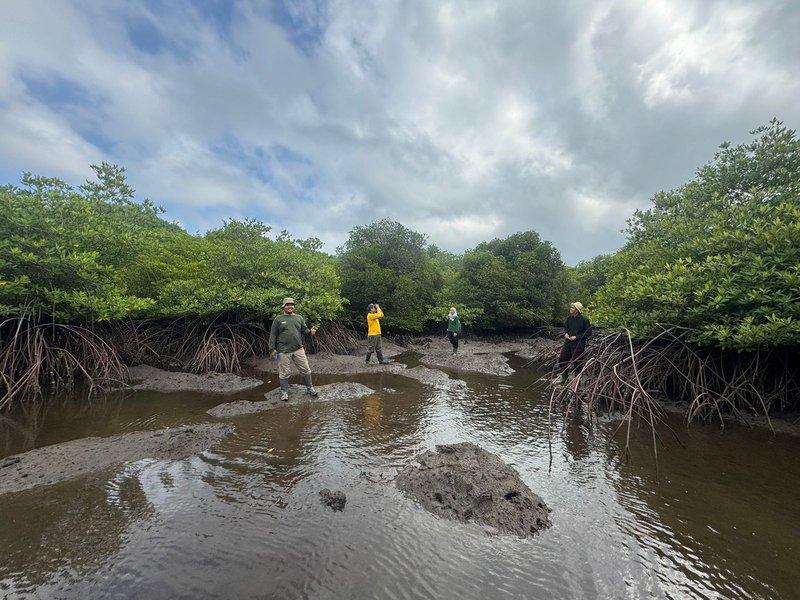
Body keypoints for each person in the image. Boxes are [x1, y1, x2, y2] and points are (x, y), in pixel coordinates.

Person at [268, 297, 319, 401]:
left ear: (294, 307)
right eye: (287, 305)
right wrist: (272, 349)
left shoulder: (299, 318)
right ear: (284, 307)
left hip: (298, 349)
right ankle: (284, 392)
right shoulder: (278, 319)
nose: (290, 306)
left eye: (291, 305)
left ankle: (310, 388)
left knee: (305, 369)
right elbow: (273, 335)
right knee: (284, 372)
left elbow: (305, 331)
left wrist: (311, 331)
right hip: (283, 350)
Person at [558, 301, 591, 383]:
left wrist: (576, 337)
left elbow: (589, 332)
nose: (570, 309)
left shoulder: (584, 320)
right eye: (571, 307)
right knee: (562, 360)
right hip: (568, 343)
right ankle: (564, 378)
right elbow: (566, 328)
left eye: (572, 308)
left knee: (577, 364)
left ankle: (576, 382)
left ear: (577, 310)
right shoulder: (569, 319)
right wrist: (566, 333)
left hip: (578, 345)